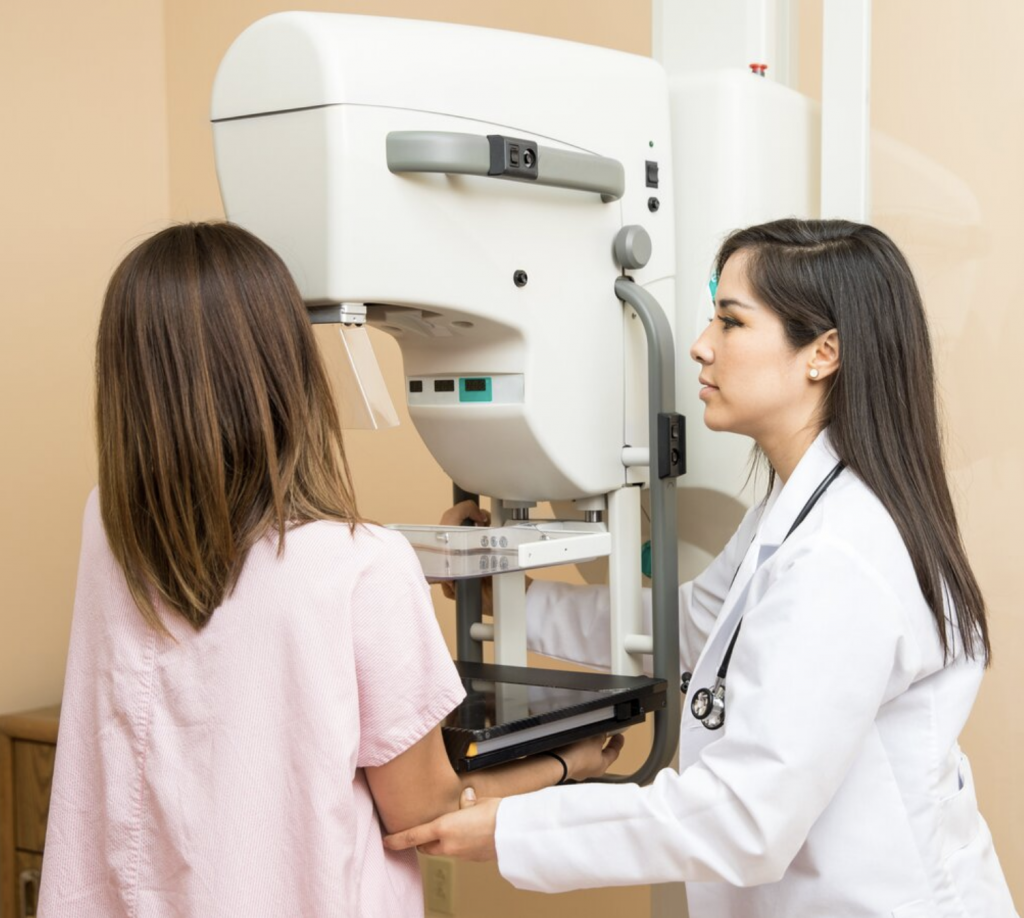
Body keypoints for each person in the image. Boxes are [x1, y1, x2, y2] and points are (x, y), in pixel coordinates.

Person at [386, 219, 1019, 917]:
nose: (699, 345)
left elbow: (745, 819)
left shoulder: (840, 556)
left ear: (823, 353)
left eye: (731, 321)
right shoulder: (801, 509)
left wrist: (511, 828)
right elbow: (692, 625)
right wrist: (508, 592)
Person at [37, 222, 622, 918]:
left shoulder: (108, 526)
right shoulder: (364, 568)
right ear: (285, 366)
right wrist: (571, 762)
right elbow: (425, 813)